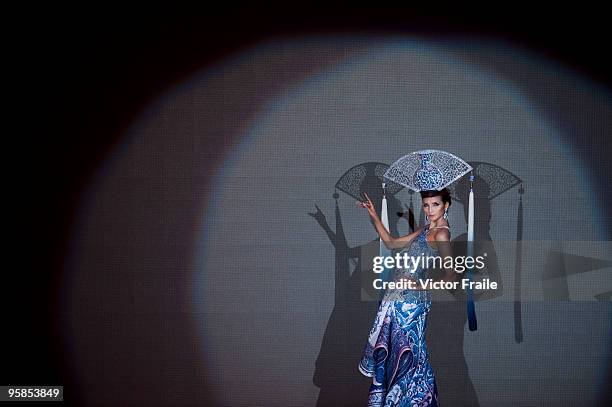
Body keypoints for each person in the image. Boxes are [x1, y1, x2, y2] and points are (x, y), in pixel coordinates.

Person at [357, 188, 456, 406]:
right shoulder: (425, 229)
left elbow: (451, 276)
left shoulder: (442, 233)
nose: (430, 210)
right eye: (426, 205)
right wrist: (374, 216)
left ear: (446, 205)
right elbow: (392, 243)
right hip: (396, 300)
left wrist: (419, 285)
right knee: (395, 357)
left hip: (412, 305)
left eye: (436, 205)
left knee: (411, 357)